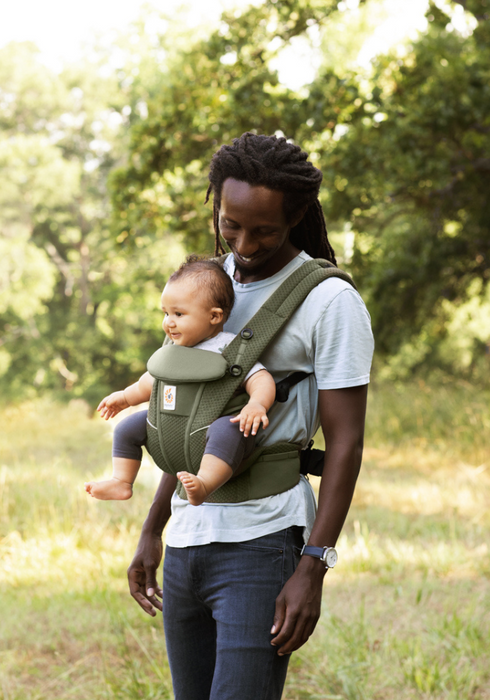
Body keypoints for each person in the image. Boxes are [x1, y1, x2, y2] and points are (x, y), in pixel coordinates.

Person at [128, 133, 374, 700]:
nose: (245, 243)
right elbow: (188, 416)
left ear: (296, 217)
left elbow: (346, 445)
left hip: (263, 543)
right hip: (190, 540)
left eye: (265, 229)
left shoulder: (329, 302)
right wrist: (153, 528)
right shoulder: (205, 287)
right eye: (231, 225)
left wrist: (313, 565)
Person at [85, 256, 277, 506]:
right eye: (166, 313)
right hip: (174, 424)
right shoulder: (174, 349)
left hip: (213, 425)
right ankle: (122, 481)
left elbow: (260, 378)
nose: (169, 322)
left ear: (214, 317)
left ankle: (205, 482)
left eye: (179, 313)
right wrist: (124, 398)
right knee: (127, 427)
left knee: (227, 430)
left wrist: (257, 405)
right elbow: (150, 381)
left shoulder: (229, 348)